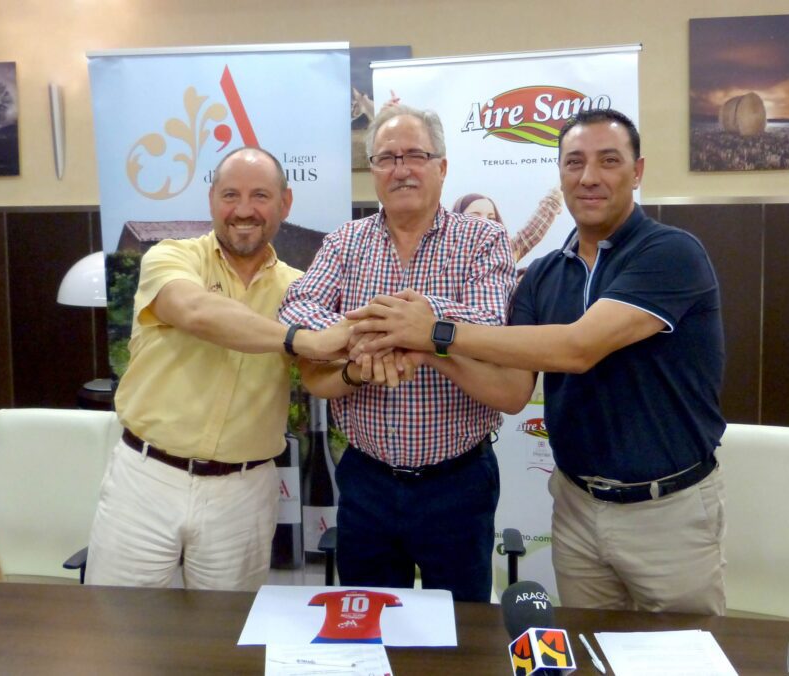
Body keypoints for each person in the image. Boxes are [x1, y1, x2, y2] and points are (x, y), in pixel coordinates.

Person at [348, 109, 727, 615]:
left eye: (608, 161)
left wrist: (435, 332)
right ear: (561, 174)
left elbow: (577, 348)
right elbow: (511, 393)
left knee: (680, 652)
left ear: (637, 172)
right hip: (575, 507)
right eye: (574, 162)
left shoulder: (671, 253)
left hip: (667, 511)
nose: (588, 177)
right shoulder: (542, 276)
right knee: (588, 648)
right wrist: (426, 348)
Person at [278, 104, 515, 602]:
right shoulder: (345, 242)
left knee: (461, 625)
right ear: (373, 171)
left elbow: (490, 320)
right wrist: (364, 333)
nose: (401, 169)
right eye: (386, 158)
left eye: (415, 155)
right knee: (369, 621)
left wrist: (422, 324)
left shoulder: (484, 239)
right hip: (367, 481)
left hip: (459, 483)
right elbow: (296, 306)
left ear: (442, 167)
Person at [86, 147, 349, 591]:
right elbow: (195, 311)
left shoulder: (299, 288)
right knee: (120, 624)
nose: (243, 210)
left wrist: (361, 365)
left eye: (260, 195)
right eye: (230, 195)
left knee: (227, 631)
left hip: (244, 493)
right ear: (212, 200)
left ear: (285, 203)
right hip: (146, 480)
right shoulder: (170, 256)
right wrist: (298, 337)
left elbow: (319, 373)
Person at [452, 189, 563, 262]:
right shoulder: (444, 256)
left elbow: (538, 221)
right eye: (475, 216)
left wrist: (562, 180)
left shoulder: (505, 253)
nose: (486, 222)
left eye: (491, 218)